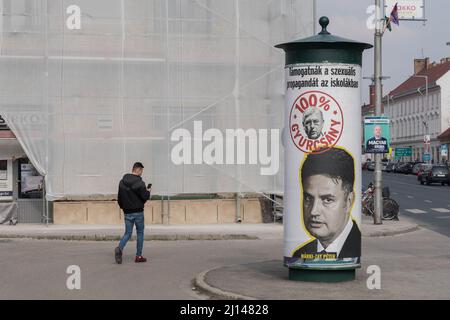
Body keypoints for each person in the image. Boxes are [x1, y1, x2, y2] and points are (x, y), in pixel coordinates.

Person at [292, 147, 360, 259]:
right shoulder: (299, 254)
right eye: (308, 198)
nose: (314, 211)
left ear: (349, 201)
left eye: (327, 200)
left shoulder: (355, 249)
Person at [115, 162, 151, 264]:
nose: (141, 173)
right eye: (141, 171)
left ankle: (120, 248)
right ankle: (138, 256)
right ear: (138, 170)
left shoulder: (122, 182)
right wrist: (148, 191)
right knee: (140, 233)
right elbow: (145, 197)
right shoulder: (140, 183)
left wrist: (124, 208)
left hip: (127, 212)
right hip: (138, 212)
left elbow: (119, 199)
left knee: (127, 233)